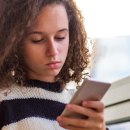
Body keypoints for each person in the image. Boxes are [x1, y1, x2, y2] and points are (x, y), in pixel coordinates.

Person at [0, 0, 109, 130]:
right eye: (37, 40)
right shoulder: (4, 101)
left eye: (60, 37)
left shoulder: (79, 105)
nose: (53, 51)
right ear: (14, 42)